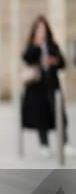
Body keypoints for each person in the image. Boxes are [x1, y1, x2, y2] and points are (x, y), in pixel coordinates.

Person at [21, 15, 75, 157]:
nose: (41, 32)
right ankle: (44, 144)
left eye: (43, 29)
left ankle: (65, 142)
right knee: (41, 115)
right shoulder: (32, 45)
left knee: (59, 114)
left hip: (51, 85)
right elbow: (26, 57)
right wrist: (37, 46)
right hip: (36, 87)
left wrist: (53, 61)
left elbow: (62, 63)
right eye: (38, 29)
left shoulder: (52, 45)